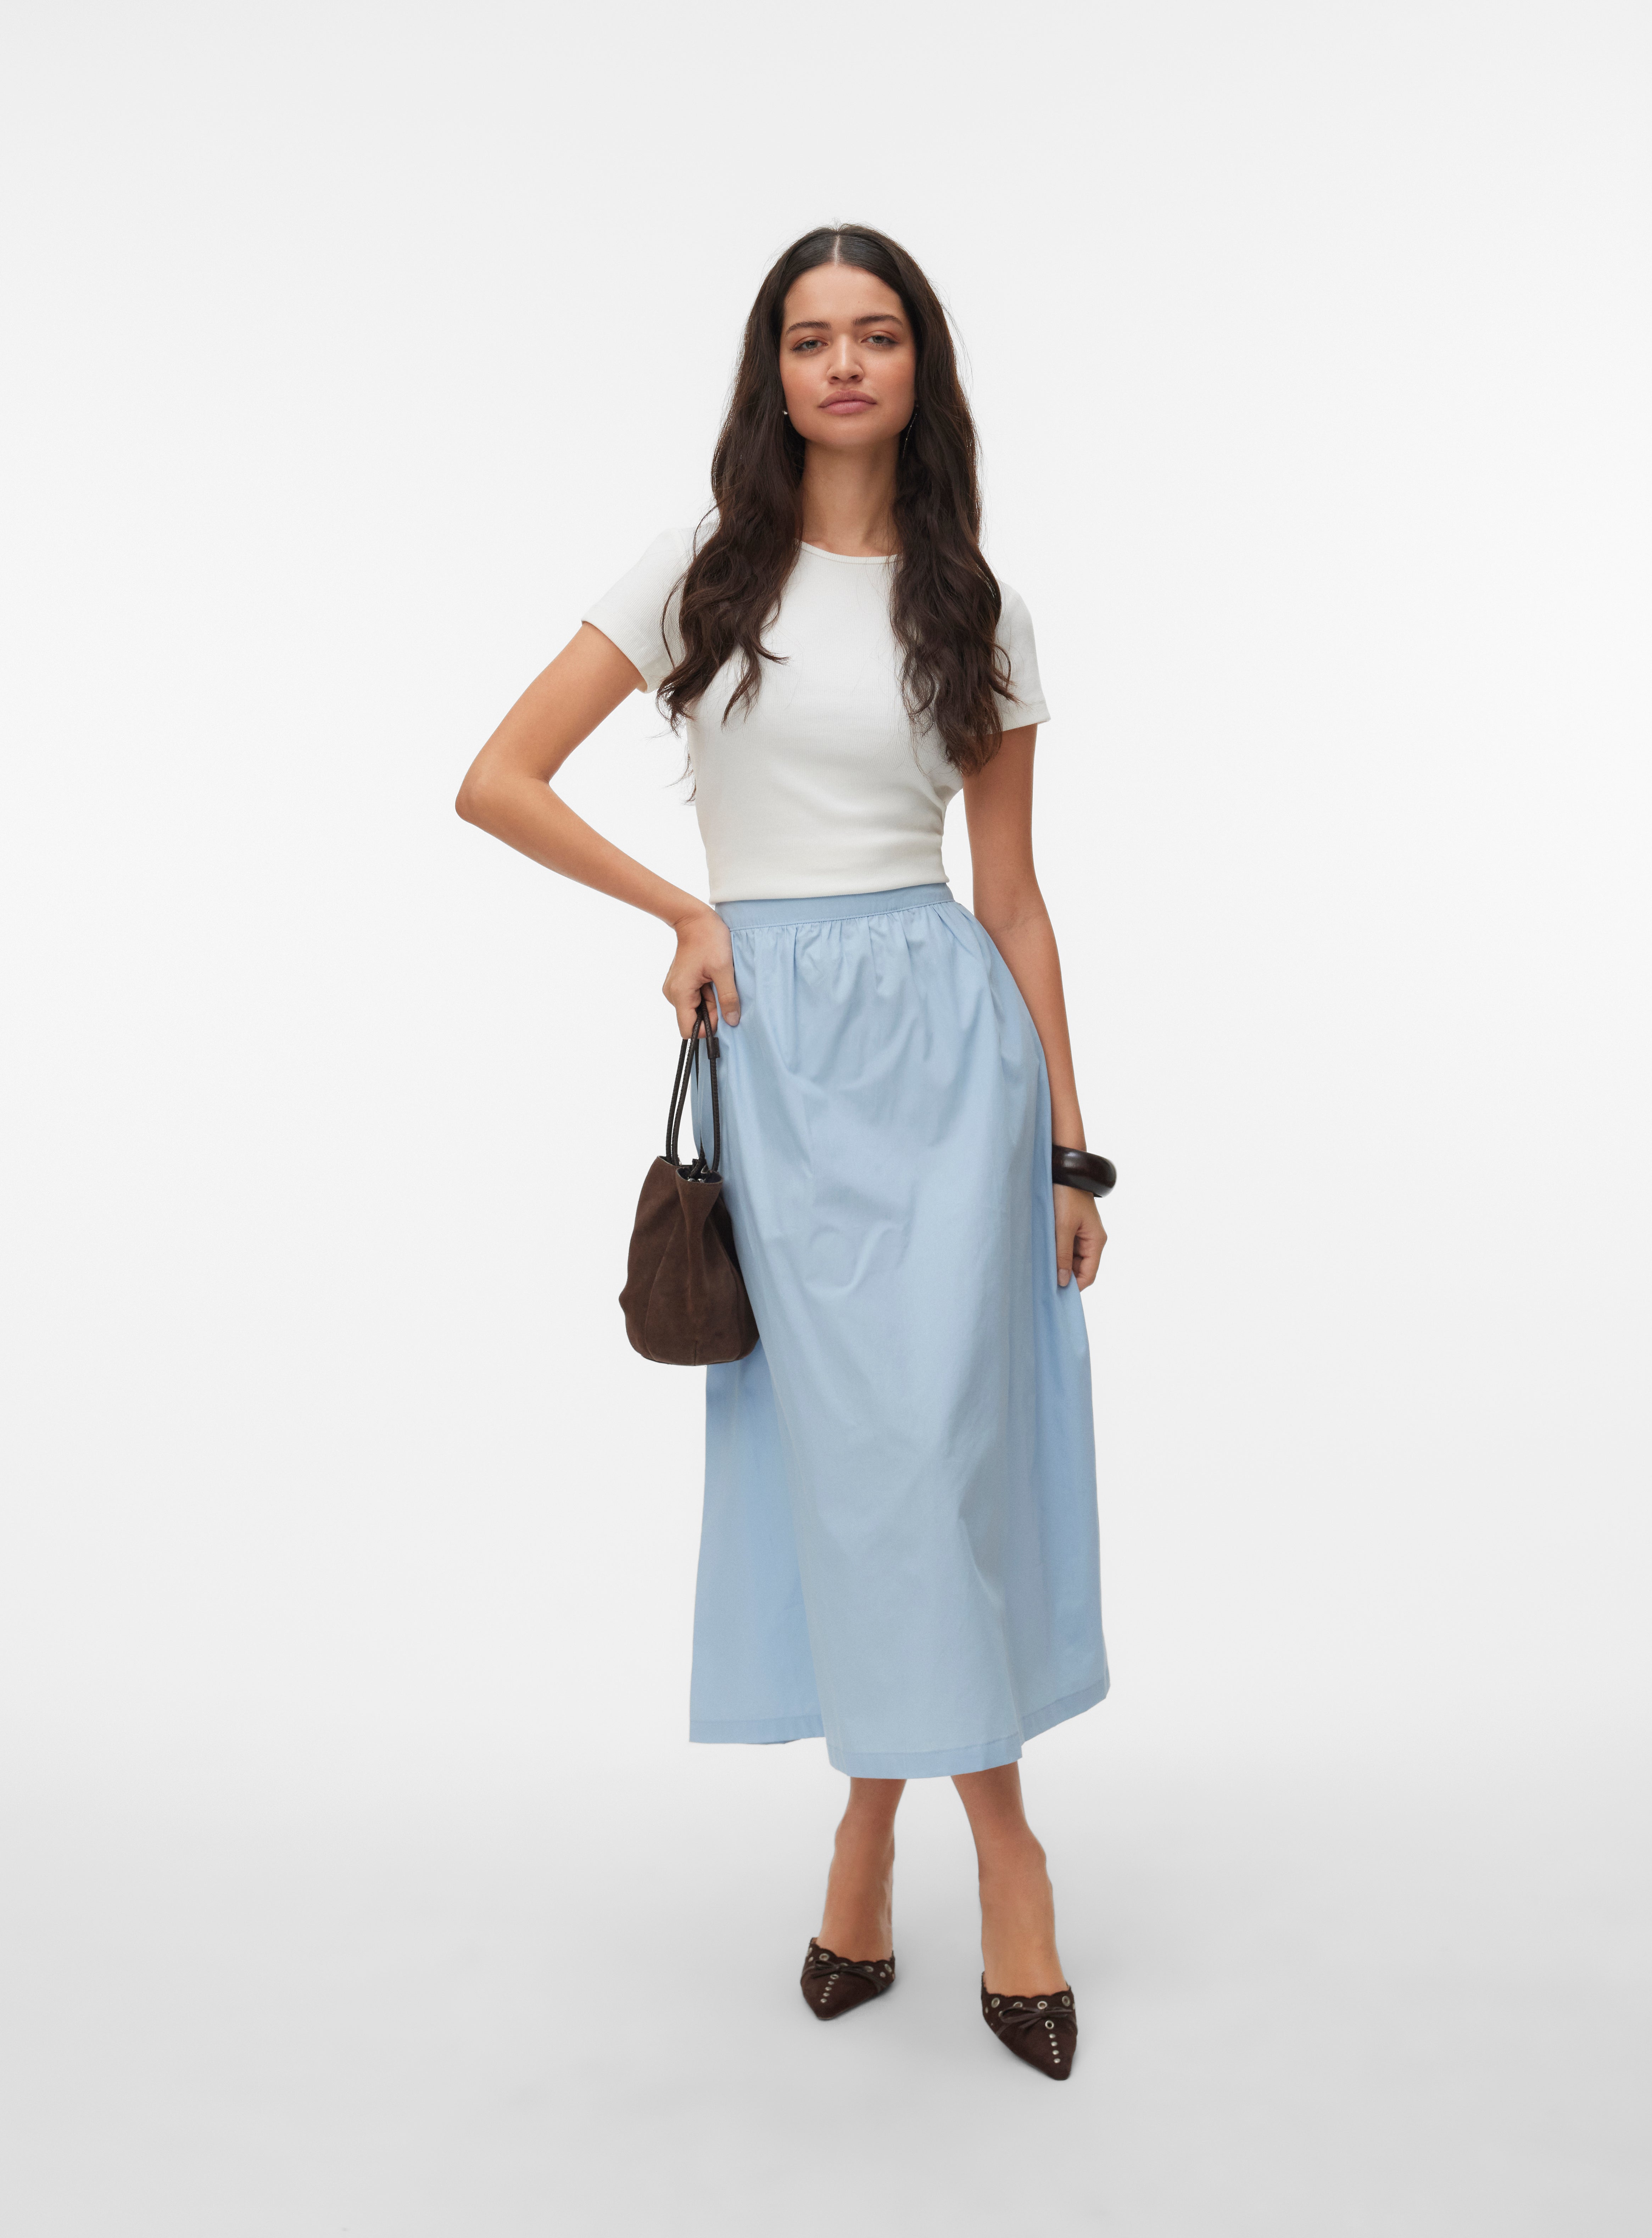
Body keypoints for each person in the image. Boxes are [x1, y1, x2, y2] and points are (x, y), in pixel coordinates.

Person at [457, 224, 1111, 2081]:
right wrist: (686, 908)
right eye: (810, 338)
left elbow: (1014, 897)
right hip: (783, 1056)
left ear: (920, 368)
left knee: (943, 1457)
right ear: (774, 371)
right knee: (864, 1468)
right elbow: (496, 778)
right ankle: (916, 1835)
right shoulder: (704, 571)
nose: (842, 364)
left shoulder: (978, 604)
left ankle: (945, 1847)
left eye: (875, 334)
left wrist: (1071, 1154)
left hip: (953, 1054)